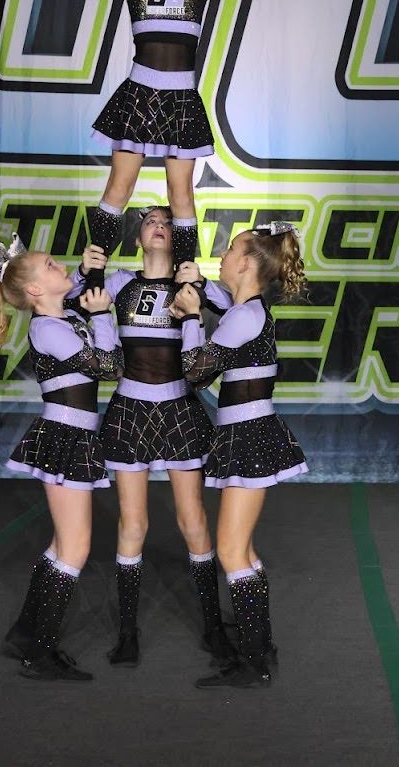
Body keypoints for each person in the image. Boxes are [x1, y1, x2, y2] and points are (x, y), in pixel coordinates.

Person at [70, 207, 230, 667]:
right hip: (130, 411)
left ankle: (214, 627)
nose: (158, 224)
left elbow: (236, 301)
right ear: (137, 237)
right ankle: (127, 632)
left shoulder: (190, 282)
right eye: (148, 221)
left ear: (174, 237)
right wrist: (84, 269)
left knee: (193, 522)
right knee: (133, 525)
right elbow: (67, 299)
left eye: (165, 219)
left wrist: (199, 282)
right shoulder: (118, 282)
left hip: (181, 408)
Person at [169, 222, 309, 687]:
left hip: (248, 436)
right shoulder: (245, 308)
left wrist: (190, 316)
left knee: (230, 549)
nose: (223, 256)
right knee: (242, 549)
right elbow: (220, 299)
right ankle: (259, 646)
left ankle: (253, 662)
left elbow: (194, 372)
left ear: (246, 264)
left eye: (230, 251)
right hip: (245, 433)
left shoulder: (245, 317)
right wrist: (197, 287)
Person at [0, 236, 121, 681]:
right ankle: (40, 654)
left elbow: (78, 292)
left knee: (62, 545)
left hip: (73, 434)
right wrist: (103, 316)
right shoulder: (47, 328)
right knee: (76, 547)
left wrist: (84, 272)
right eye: (50, 265)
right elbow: (106, 366)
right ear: (33, 291)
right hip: (64, 437)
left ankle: (26, 633)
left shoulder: (61, 316)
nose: (58, 264)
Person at [85, 0, 242, 288]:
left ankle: (185, 275)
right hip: (138, 96)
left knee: (181, 193)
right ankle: (93, 272)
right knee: (118, 188)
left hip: (181, 102)